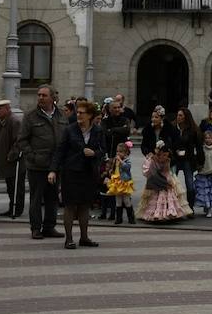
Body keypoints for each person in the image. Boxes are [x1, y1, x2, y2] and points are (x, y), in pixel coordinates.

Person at [49, 100, 104, 249]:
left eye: (82, 113)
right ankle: (69, 238)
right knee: (70, 205)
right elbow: (60, 150)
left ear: (90, 115)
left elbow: (103, 150)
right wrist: (53, 170)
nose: (78, 115)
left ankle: (84, 237)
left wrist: (94, 153)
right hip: (71, 172)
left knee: (85, 205)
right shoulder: (70, 129)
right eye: (77, 112)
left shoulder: (98, 130)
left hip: (88, 172)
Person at [18, 84, 68, 240]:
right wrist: (31, 156)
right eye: (39, 95)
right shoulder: (30, 116)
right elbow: (22, 140)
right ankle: (35, 228)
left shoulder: (61, 115)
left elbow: (65, 137)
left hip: (56, 165)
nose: (40, 97)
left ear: (53, 98)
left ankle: (49, 227)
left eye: (44, 95)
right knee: (36, 198)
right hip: (37, 165)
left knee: (52, 198)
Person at [0, 100, 25, 218]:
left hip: (14, 160)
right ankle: (11, 207)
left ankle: (17, 209)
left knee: (16, 186)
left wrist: (12, 154)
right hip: (4, 159)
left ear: (7, 108)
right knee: (10, 186)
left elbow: (19, 140)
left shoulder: (14, 121)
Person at [138, 141, 190, 222]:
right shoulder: (154, 160)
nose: (163, 156)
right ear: (158, 153)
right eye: (162, 154)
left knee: (169, 197)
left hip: (167, 178)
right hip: (158, 180)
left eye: (165, 154)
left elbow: (167, 170)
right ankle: (157, 214)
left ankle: (170, 213)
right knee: (156, 197)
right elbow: (153, 171)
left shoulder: (168, 160)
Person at [172, 107, 200, 212]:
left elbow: (198, 146)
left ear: (186, 117)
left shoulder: (192, 129)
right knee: (172, 183)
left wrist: (200, 162)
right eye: (178, 115)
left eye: (181, 115)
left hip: (187, 159)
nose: (178, 117)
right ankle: (173, 206)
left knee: (190, 184)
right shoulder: (173, 127)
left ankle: (190, 207)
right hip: (175, 158)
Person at [107, 141, 135, 224]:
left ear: (125, 153)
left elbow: (127, 168)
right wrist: (111, 170)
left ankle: (131, 218)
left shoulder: (127, 160)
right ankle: (119, 218)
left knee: (126, 200)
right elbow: (114, 168)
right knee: (118, 201)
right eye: (117, 151)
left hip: (125, 181)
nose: (118, 153)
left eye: (120, 152)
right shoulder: (116, 160)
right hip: (117, 182)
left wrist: (121, 161)